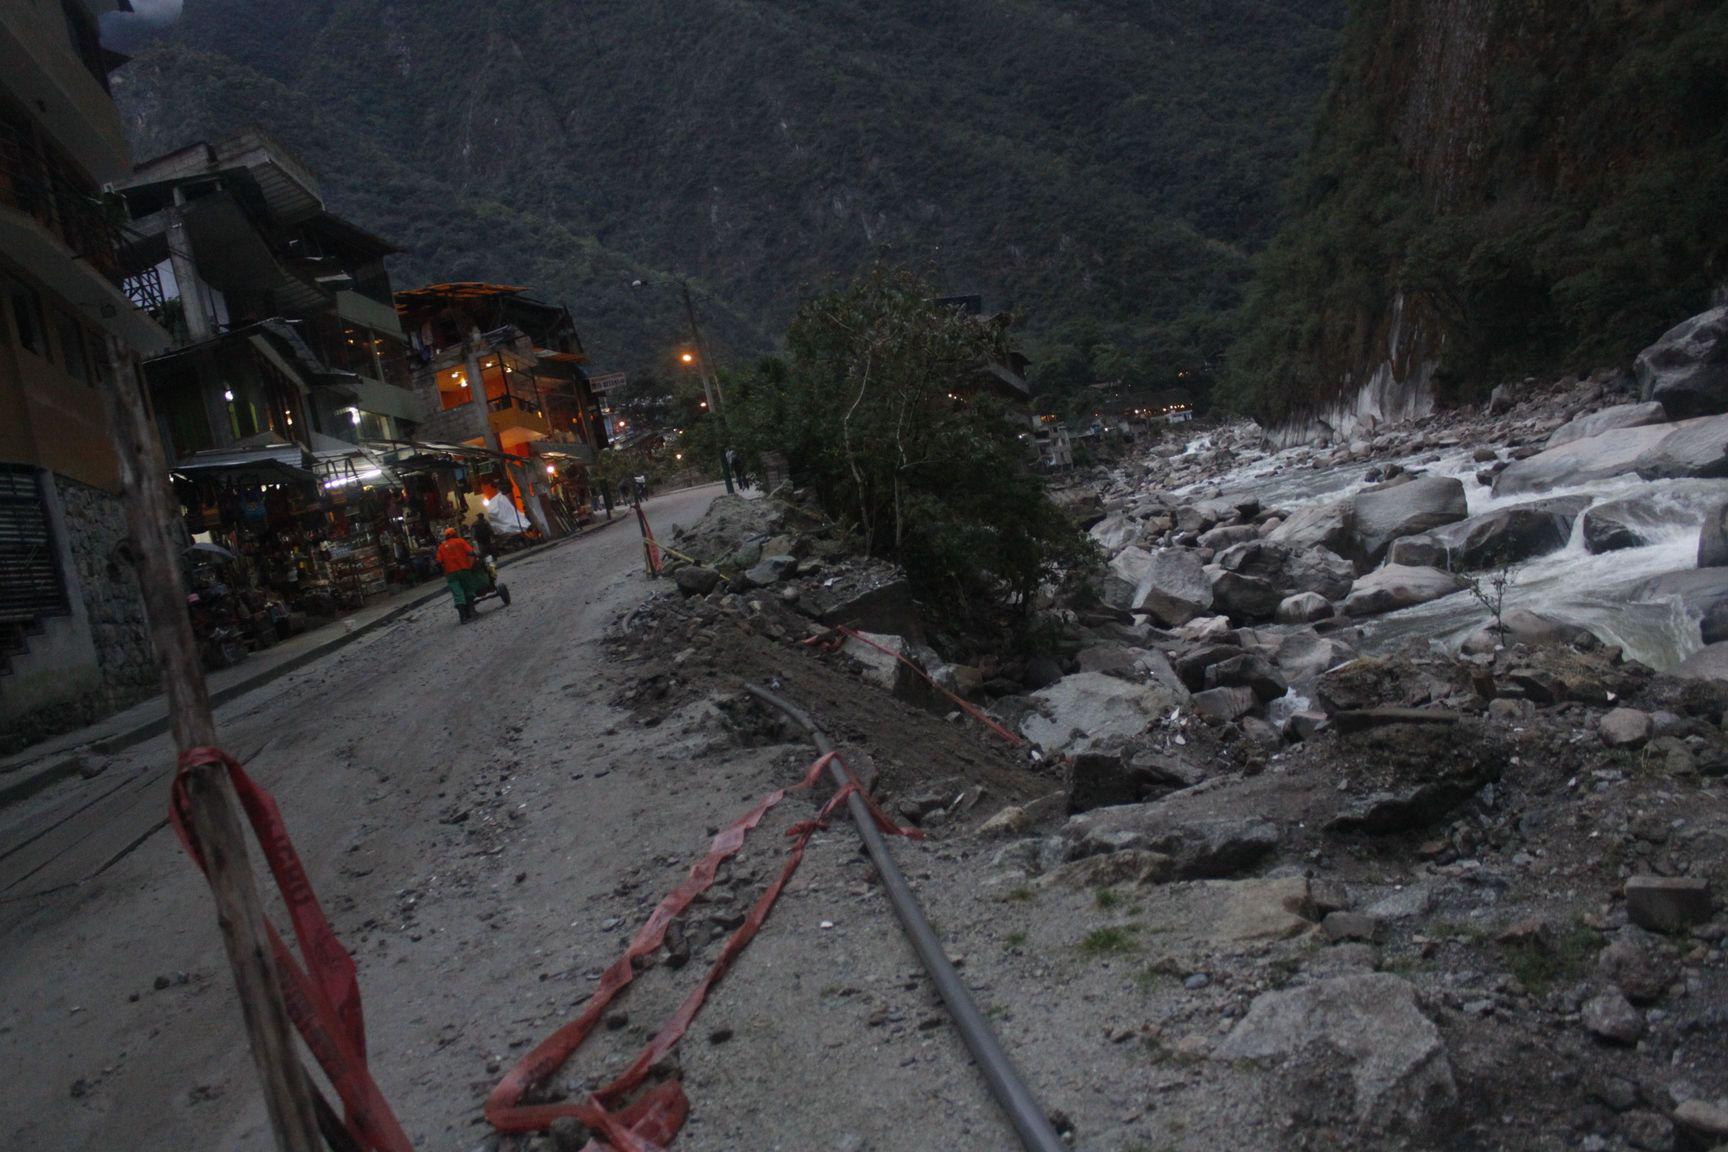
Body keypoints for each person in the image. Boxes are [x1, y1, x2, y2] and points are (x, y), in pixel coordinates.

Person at [436, 526, 485, 623]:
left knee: (457, 593)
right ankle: (471, 611)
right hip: (464, 570)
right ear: (455, 534)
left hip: (450, 573)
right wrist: (475, 557)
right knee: (469, 589)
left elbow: (438, 561)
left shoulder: (441, 547)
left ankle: (463, 617)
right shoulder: (460, 541)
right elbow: (471, 552)